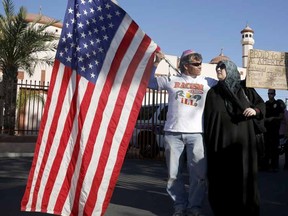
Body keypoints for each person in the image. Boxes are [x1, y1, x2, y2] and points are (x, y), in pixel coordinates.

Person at [149, 49, 217, 216]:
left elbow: (229, 83)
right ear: (186, 66)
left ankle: (194, 208)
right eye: (196, 64)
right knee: (174, 175)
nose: (200, 66)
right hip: (173, 134)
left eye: (200, 63)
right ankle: (179, 206)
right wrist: (156, 63)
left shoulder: (207, 82)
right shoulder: (171, 80)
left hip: (197, 134)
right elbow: (149, 83)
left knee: (199, 175)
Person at [204, 60, 265, 216]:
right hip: (220, 142)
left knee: (243, 175)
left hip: (244, 142)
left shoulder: (245, 89)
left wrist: (255, 110)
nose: (218, 69)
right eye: (217, 67)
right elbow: (210, 120)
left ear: (230, 70)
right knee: (222, 177)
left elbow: (260, 104)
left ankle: (245, 209)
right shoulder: (213, 92)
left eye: (222, 67)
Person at [262, 89, 284, 172]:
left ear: (274, 94)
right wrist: (266, 119)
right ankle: (266, 165)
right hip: (267, 129)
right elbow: (263, 116)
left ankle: (274, 166)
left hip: (275, 129)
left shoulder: (278, 104)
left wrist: (273, 118)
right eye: (268, 93)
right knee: (266, 147)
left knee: (274, 148)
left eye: (271, 93)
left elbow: (281, 117)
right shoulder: (265, 104)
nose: (269, 95)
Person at [277, 99, 288, 170]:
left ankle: (286, 165)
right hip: (278, 133)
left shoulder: (285, 112)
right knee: (278, 149)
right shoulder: (278, 112)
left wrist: (287, 133)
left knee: (286, 150)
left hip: (284, 133)